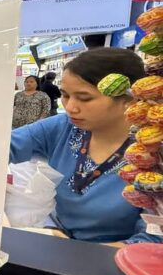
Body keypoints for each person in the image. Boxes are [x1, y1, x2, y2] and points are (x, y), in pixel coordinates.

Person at [10, 48, 161, 244]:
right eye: (65, 95)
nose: (70, 107)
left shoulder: (153, 154)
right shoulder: (64, 127)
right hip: (56, 239)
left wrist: (82, 252)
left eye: (84, 98)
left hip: (112, 258)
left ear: (129, 99)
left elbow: (154, 236)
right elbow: (2, 148)